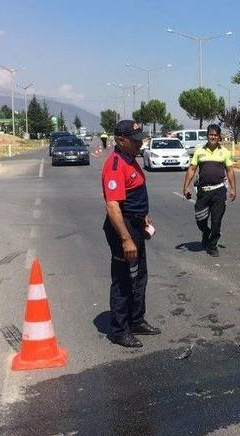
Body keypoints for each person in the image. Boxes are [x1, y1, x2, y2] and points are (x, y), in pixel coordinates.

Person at [101, 120, 161, 348]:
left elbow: (133, 196)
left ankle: (136, 320)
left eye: (140, 139)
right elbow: (113, 206)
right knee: (123, 279)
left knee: (139, 276)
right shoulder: (115, 165)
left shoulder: (130, 161)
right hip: (122, 229)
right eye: (135, 141)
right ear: (121, 140)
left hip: (135, 225)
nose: (139, 144)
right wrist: (126, 239)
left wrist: (143, 216)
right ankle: (119, 330)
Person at [181, 124, 237, 257]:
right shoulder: (199, 150)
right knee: (200, 218)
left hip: (219, 190)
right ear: (207, 135)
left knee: (216, 220)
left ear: (219, 137)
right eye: (211, 134)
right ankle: (206, 231)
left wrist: (233, 188)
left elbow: (229, 170)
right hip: (203, 191)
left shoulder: (224, 152)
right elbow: (192, 169)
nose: (213, 137)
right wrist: (186, 186)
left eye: (216, 135)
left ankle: (212, 245)